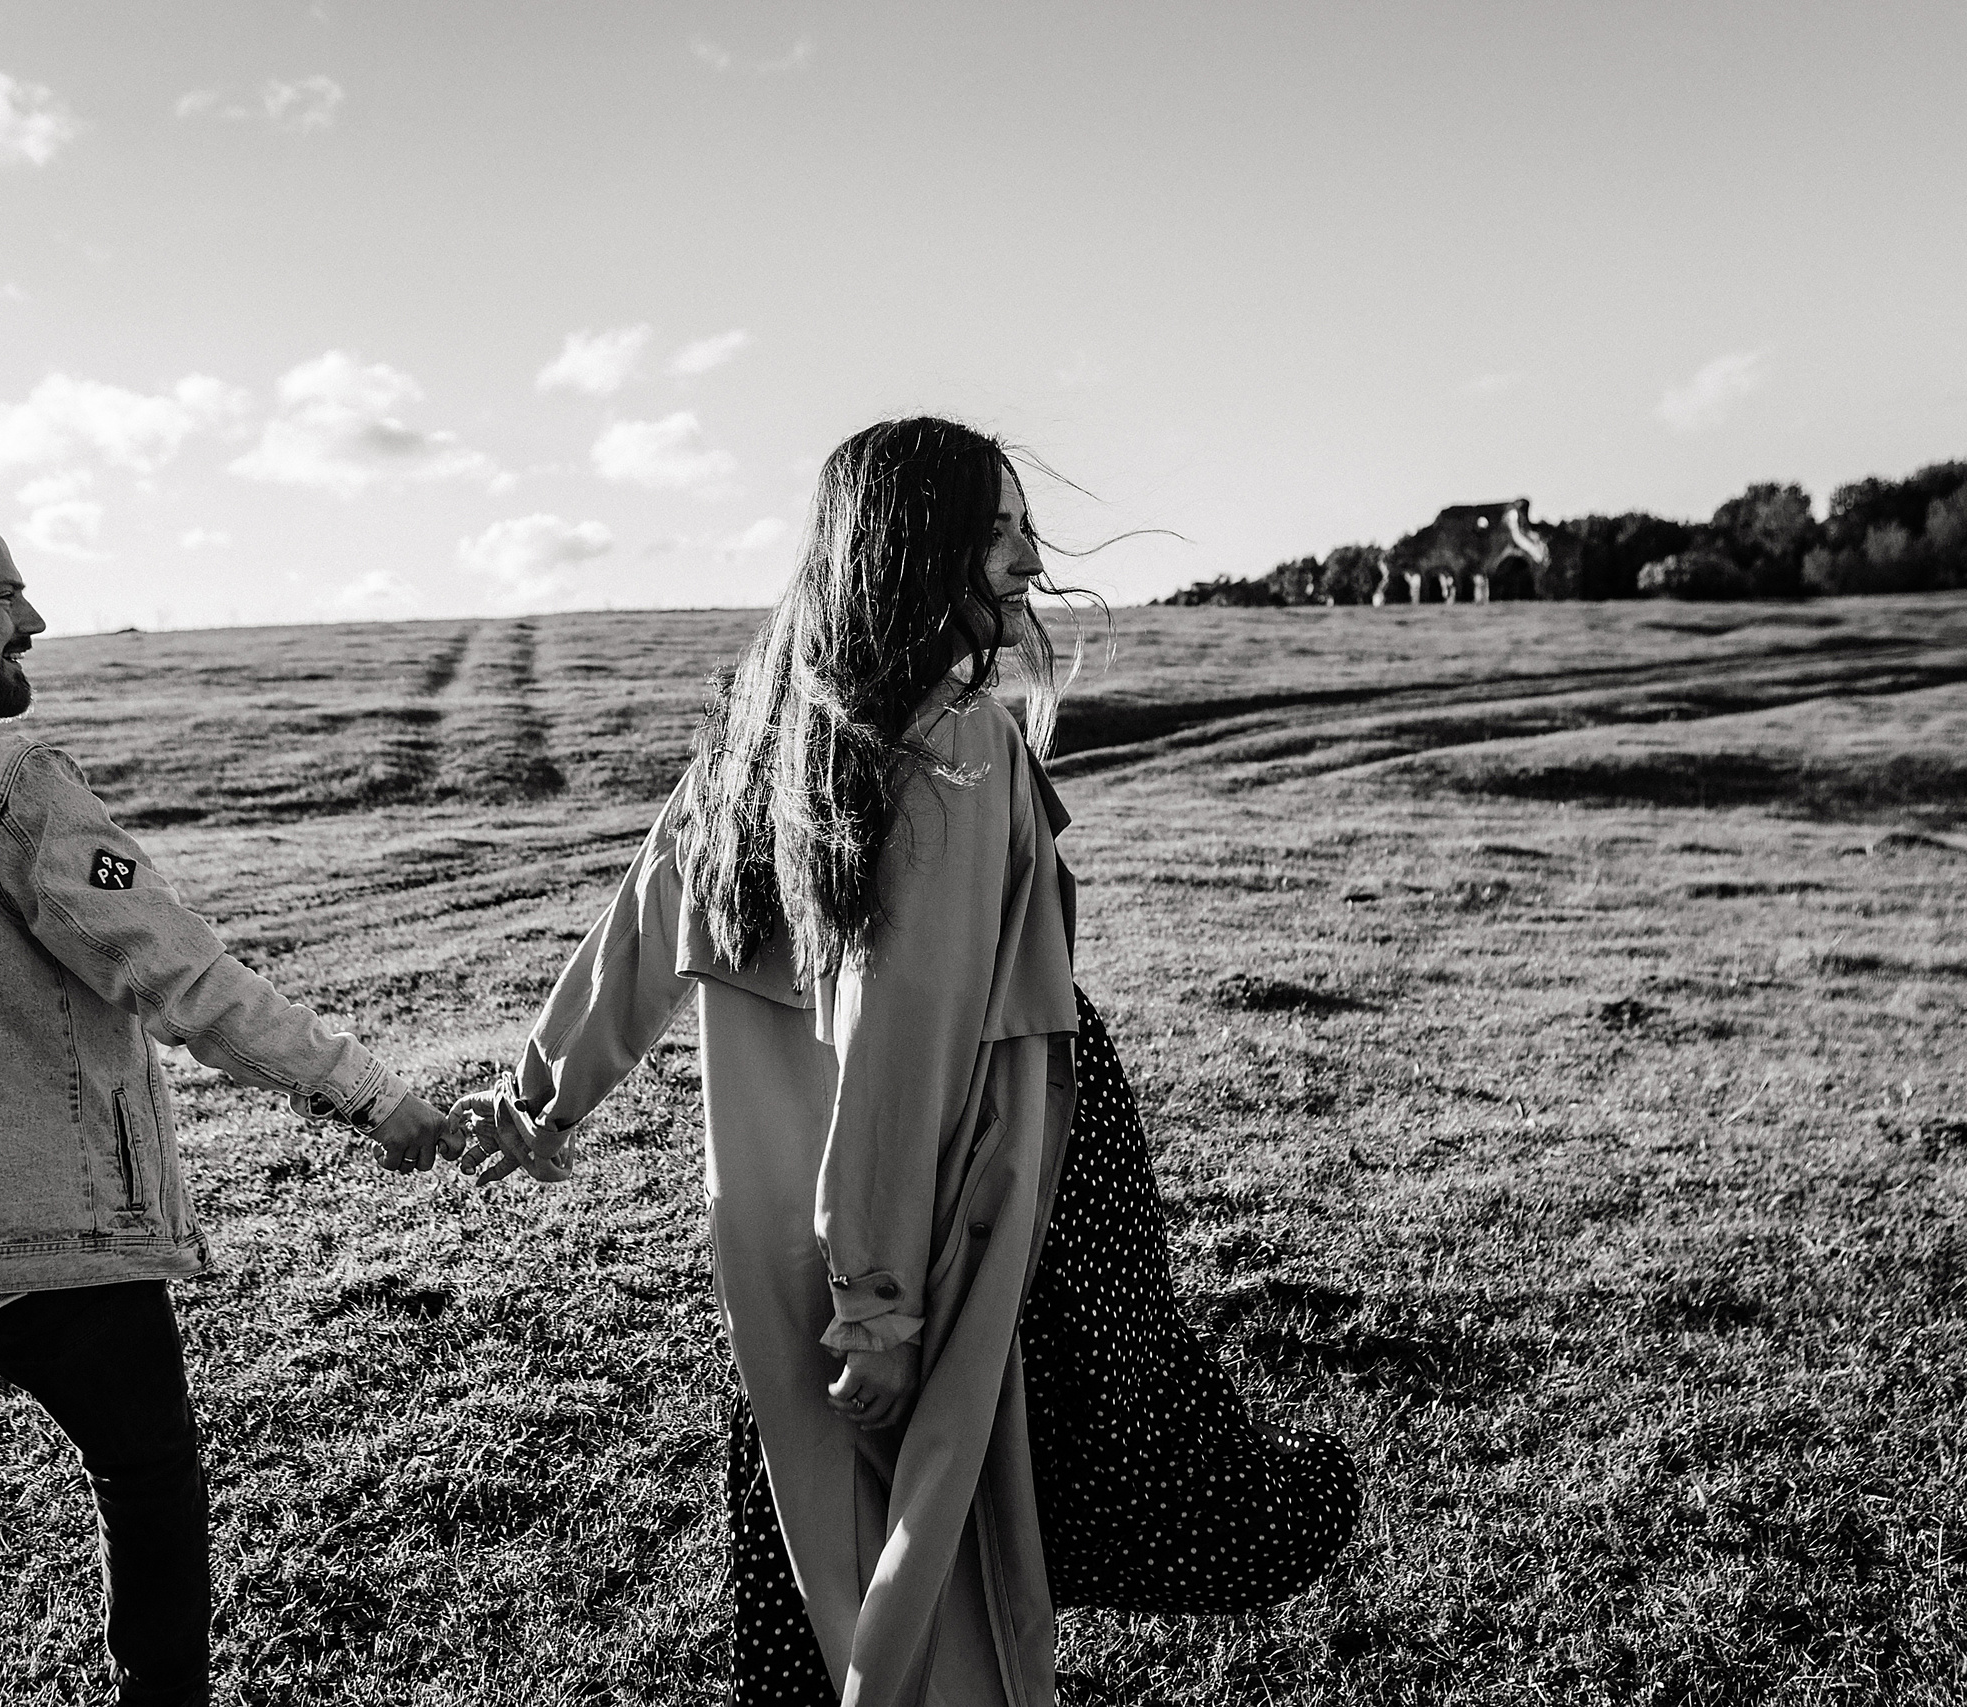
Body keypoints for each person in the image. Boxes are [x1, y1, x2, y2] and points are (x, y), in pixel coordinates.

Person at [452, 419, 1358, 1707]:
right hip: (951, 1184)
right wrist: (878, 1299)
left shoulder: (766, 732)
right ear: (907, 544)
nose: (1028, 556)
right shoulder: (955, 746)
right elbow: (902, 1034)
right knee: (982, 1517)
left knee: (831, 1527)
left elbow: (637, 930)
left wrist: (536, 1096)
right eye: (995, 527)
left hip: (783, 1213)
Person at [0, 498, 460, 1707]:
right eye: (6, 597)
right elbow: (181, 975)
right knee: (149, 1492)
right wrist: (373, 1097)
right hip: (52, 1242)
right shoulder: (7, 777)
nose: (37, 622)